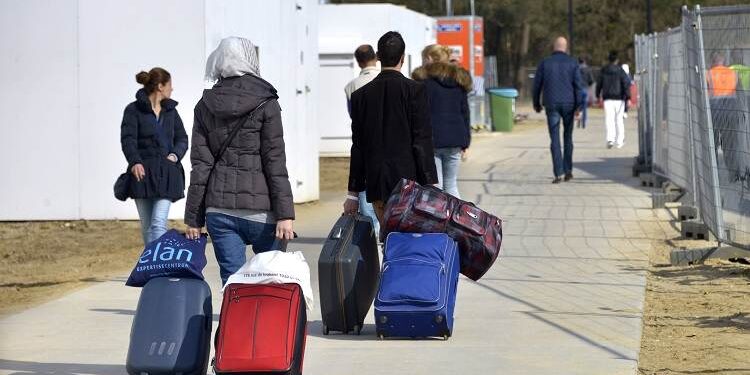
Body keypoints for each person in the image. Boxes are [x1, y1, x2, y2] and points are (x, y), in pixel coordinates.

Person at [184, 37, 295, 285]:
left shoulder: (204, 105)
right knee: (271, 282)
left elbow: (200, 165)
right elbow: (275, 161)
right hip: (262, 212)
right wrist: (285, 214)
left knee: (233, 282)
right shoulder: (267, 102)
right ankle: (268, 325)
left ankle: (233, 324)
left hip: (219, 211)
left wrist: (194, 218)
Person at [343, 31, 438, 227]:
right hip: (410, 183)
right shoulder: (416, 91)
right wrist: (431, 183)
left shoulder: (360, 96)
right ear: (402, 58)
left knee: (387, 236)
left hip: (377, 182)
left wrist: (353, 193)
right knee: (407, 240)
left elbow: (358, 146)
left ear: (378, 57)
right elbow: (422, 140)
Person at [120, 67, 188, 245]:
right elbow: (128, 140)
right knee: (147, 225)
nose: (172, 89)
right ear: (160, 86)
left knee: (158, 224)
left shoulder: (171, 111)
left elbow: (182, 138)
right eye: (169, 85)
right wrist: (134, 162)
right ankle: (150, 267)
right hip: (141, 175)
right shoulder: (133, 110)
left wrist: (174, 155)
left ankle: (156, 268)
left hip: (166, 174)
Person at [412, 44, 472, 198]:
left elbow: (418, 114)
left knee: (435, 186)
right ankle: (456, 219)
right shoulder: (459, 81)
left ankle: (437, 220)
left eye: (423, 58)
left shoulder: (423, 83)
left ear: (430, 58)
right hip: (456, 139)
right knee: (451, 184)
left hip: (432, 140)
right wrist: (466, 141)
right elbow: (465, 112)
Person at [532, 36, 585, 183]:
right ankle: (568, 170)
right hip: (569, 104)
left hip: (551, 104)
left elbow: (537, 85)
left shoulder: (545, 63)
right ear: (565, 47)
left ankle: (558, 172)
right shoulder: (572, 63)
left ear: (554, 47)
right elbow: (578, 86)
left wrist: (536, 103)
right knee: (568, 137)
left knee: (554, 138)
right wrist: (579, 106)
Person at [344, 44, 381, 237]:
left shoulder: (351, 86)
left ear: (358, 61)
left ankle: (373, 243)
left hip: (365, 145)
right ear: (376, 57)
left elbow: (353, 117)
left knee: (367, 204)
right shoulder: (386, 80)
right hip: (389, 147)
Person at [708, 52, 742, 182]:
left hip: (714, 111)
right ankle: (733, 174)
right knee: (730, 144)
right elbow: (739, 92)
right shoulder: (733, 73)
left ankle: (713, 175)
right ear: (724, 61)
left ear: (713, 61)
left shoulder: (709, 73)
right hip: (730, 111)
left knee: (713, 144)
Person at [596, 51, 631, 149]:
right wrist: (628, 97)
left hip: (607, 98)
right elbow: (625, 84)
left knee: (609, 119)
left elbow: (599, 83)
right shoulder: (620, 71)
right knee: (619, 120)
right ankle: (620, 141)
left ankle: (610, 139)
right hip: (619, 98)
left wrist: (598, 95)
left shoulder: (604, 70)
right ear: (617, 60)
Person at [576, 56, 595, 129]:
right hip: (585, 89)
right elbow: (591, 81)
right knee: (584, 107)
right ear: (584, 61)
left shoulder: (576, 69)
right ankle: (584, 123)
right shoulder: (588, 69)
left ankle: (578, 120)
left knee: (578, 107)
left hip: (578, 90)